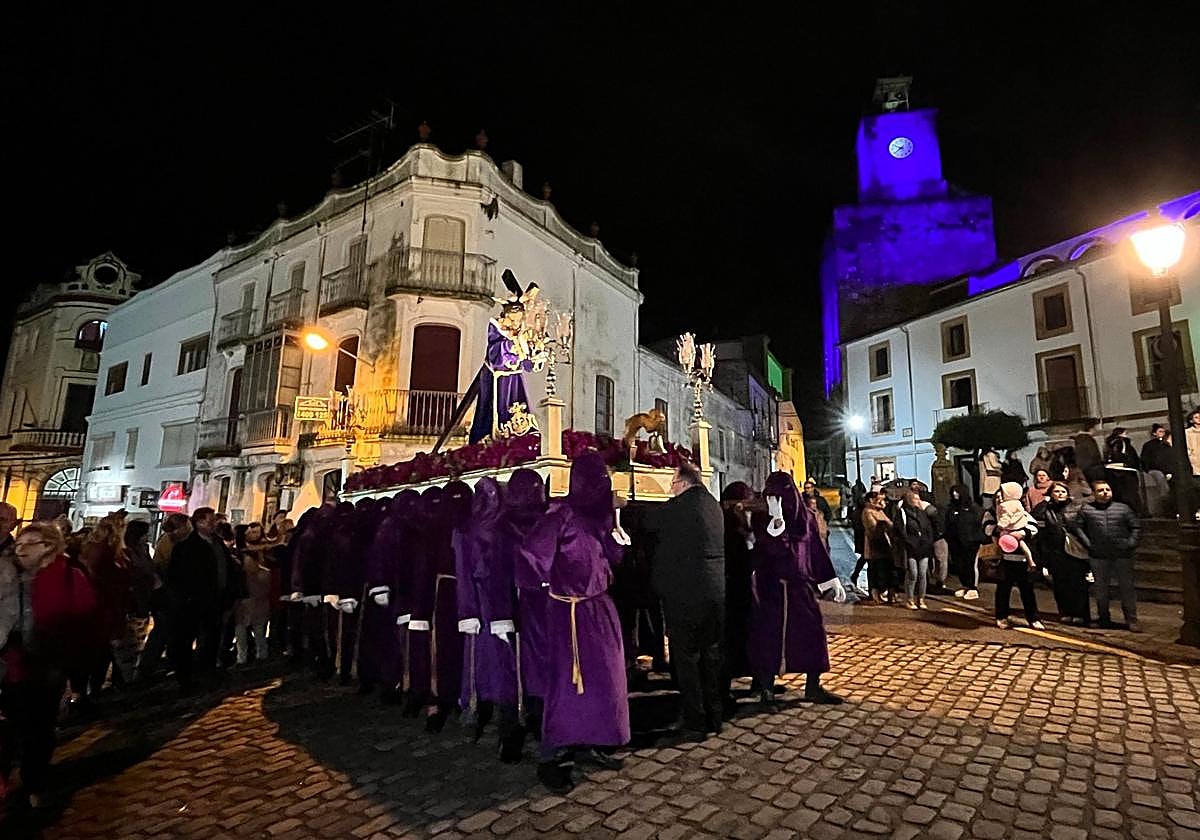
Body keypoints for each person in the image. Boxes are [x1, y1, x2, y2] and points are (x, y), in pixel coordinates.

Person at [521, 453, 630, 794]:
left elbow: (612, 561)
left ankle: (595, 738)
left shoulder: (599, 517)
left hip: (599, 609)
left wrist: (618, 538)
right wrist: (546, 587)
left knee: (605, 683)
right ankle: (553, 756)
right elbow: (531, 557)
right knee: (568, 686)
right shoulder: (560, 516)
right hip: (569, 613)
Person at [1, 522, 100, 810]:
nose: (20, 550)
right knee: (8, 726)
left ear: (48, 547)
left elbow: (84, 620)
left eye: (28, 544)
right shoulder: (12, 574)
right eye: (18, 544)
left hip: (49, 665)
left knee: (39, 727)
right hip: (11, 662)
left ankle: (33, 782)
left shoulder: (70, 575)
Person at [747, 472, 845, 708]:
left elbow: (815, 549)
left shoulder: (806, 517)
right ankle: (767, 689)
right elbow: (772, 552)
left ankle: (813, 685)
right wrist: (776, 525)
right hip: (773, 588)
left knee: (812, 635)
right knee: (771, 637)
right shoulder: (762, 519)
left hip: (802, 587)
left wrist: (830, 579)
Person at [646, 461, 725, 740]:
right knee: (711, 655)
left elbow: (649, 523)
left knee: (687, 659)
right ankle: (715, 715)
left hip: (686, 595)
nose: (671, 488)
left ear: (683, 481)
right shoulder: (713, 505)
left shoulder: (677, 507)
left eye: (673, 483)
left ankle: (695, 720)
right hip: (714, 591)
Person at [167, 508, 231, 692]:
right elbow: (176, 577)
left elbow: (227, 569)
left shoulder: (217, 543)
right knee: (187, 639)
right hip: (193, 602)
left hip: (216, 600)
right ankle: (186, 677)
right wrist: (185, 598)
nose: (214, 525)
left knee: (212, 637)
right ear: (199, 523)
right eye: (210, 521)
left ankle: (207, 672)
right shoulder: (187, 546)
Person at [1072, 479, 1142, 631]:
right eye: (1101, 490)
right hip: (1099, 555)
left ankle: (1131, 620)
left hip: (1122, 555)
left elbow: (1136, 527)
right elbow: (1078, 528)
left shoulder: (1123, 509)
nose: (1105, 493)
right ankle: (1104, 618)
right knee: (1101, 590)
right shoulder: (1087, 510)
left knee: (1126, 589)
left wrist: (1129, 544)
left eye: (1107, 489)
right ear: (1094, 493)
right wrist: (1089, 544)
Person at [138, 513, 189, 681]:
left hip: (167, 593)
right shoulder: (170, 542)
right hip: (167, 594)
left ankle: (152, 667)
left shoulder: (168, 541)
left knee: (164, 632)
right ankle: (148, 669)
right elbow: (165, 567)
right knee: (163, 632)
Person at [1032, 482, 1091, 625]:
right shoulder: (1045, 509)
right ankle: (1065, 612)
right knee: (1060, 585)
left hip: (1074, 551)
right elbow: (1040, 531)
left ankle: (1081, 614)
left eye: (1062, 491)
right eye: (1056, 491)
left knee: (1078, 584)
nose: (1060, 494)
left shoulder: (1077, 507)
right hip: (1055, 553)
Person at [985, 488, 1044, 630]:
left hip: (1021, 558)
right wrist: (1001, 531)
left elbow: (1033, 526)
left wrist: (1022, 533)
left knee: (1027, 590)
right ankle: (1001, 616)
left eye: (1002, 497)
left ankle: (1033, 618)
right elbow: (987, 527)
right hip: (1004, 558)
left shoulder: (1018, 510)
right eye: (997, 497)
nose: (999, 499)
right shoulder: (992, 513)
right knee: (1003, 590)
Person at [719, 482, 755, 713]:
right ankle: (724, 690)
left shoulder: (743, 524)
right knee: (730, 642)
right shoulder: (727, 525)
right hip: (731, 589)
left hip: (743, 589)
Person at [234, 522, 272, 665]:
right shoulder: (245, 554)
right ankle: (244, 656)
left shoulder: (265, 553)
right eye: (252, 532)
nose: (254, 535)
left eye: (257, 532)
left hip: (258, 594)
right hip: (247, 594)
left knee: (257, 627)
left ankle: (259, 654)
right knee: (243, 626)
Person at [894, 490, 934, 609]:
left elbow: (928, 528)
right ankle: (910, 598)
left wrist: (928, 541)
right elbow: (899, 531)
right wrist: (907, 541)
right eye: (915, 499)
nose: (918, 501)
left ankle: (921, 599)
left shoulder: (922, 513)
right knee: (913, 573)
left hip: (923, 547)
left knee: (923, 574)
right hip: (910, 548)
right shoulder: (902, 513)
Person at [944, 486, 984, 601]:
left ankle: (973, 588)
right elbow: (948, 523)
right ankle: (965, 585)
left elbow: (978, 523)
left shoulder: (974, 508)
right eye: (953, 493)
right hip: (955, 542)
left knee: (970, 564)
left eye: (957, 492)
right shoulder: (951, 508)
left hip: (971, 542)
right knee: (959, 564)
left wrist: (976, 538)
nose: (955, 495)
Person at [860, 492, 893, 604]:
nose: (881, 502)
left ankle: (882, 592)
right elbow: (873, 527)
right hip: (873, 545)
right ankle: (874, 594)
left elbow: (890, 524)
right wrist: (884, 524)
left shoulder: (880, 511)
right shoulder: (867, 511)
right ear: (871, 500)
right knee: (874, 570)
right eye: (878, 500)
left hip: (884, 544)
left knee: (883, 569)